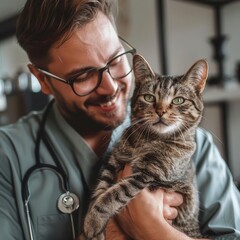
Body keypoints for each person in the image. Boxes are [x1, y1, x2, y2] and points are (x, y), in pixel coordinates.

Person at [0, 0, 239, 239]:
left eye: (115, 60)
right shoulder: (8, 157)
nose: (110, 86)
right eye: (83, 75)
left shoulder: (200, 146)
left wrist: (154, 230)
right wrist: (114, 232)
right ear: (43, 79)